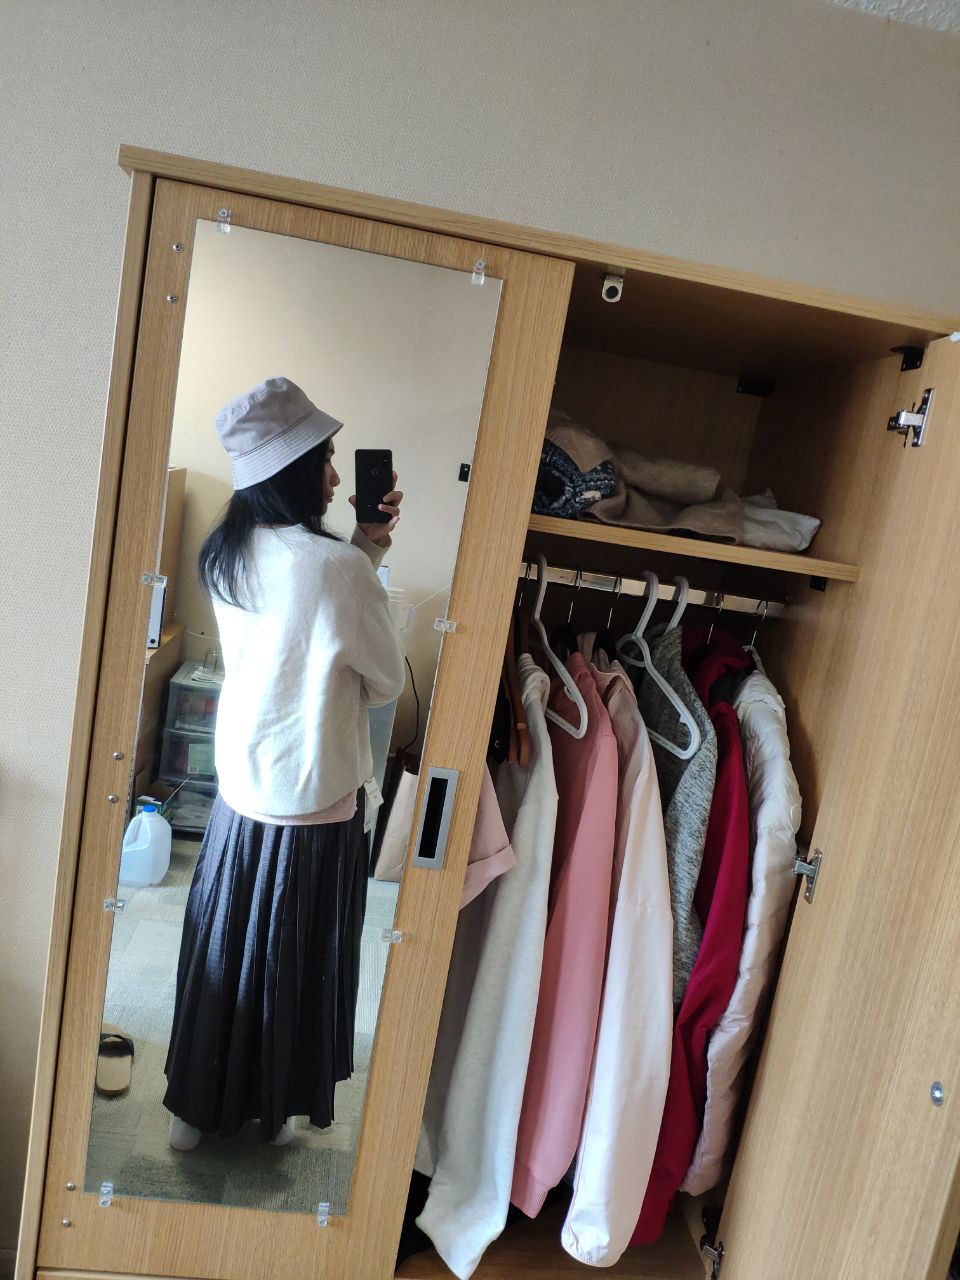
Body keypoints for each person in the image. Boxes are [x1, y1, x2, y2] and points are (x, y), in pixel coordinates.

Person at [163, 376, 406, 1151]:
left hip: (241, 794)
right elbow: (385, 681)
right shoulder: (337, 570)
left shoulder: (225, 554)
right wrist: (368, 554)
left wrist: (364, 548)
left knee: (222, 950)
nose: (335, 477)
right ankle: (276, 1112)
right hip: (315, 800)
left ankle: (192, 1111)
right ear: (294, 470)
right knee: (295, 965)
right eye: (325, 460)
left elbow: (301, 626)